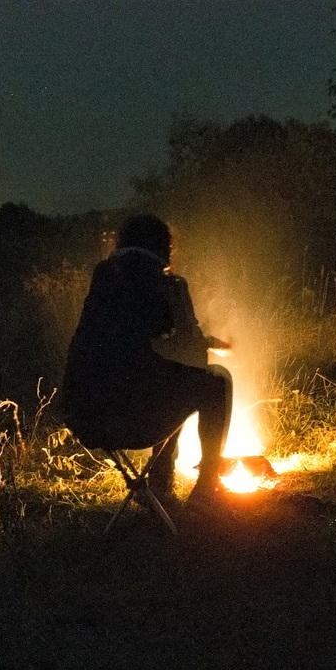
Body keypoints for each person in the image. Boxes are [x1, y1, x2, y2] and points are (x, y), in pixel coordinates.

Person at [61, 214, 233, 507]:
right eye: (169, 245)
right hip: (132, 422)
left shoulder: (103, 277)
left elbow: (121, 331)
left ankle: (159, 486)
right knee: (216, 381)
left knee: (167, 380)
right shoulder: (169, 284)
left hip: (85, 418)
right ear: (163, 247)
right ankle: (205, 490)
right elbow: (192, 352)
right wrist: (204, 343)